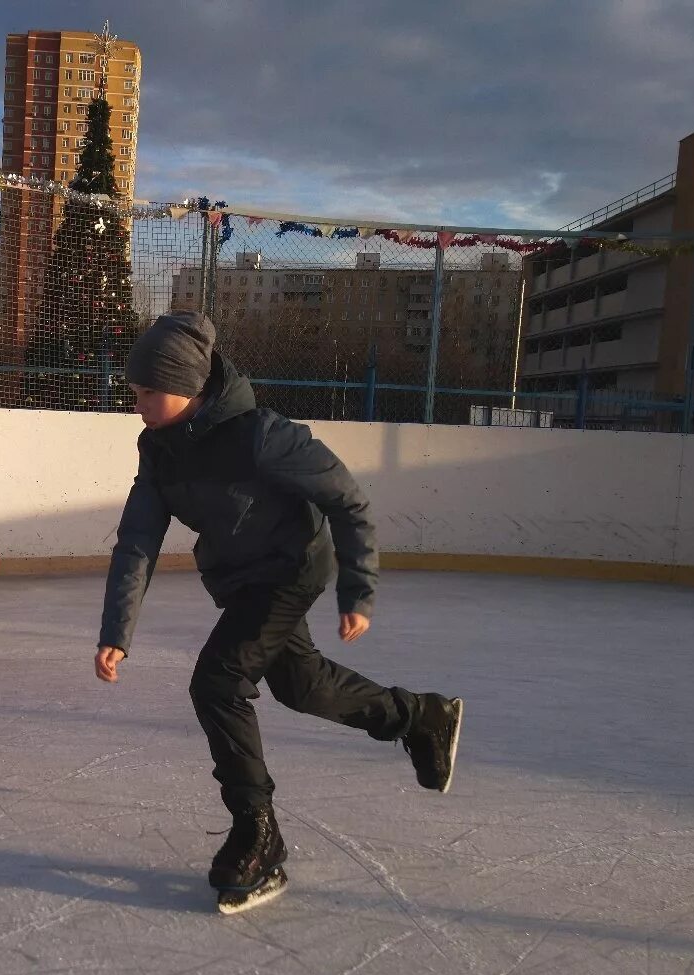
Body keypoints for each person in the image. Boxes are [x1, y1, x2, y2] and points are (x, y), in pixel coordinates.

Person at [94, 312, 462, 913]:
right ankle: (420, 716)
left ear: (187, 386)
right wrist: (117, 631)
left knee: (218, 682)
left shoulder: (261, 435)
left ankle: (257, 834)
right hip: (240, 579)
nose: (138, 403)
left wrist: (358, 590)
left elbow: (347, 500)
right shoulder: (158, 449)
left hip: (291, 570)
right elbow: (138, 539)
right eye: (133, 390)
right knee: (302, 684)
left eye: (148, 391)